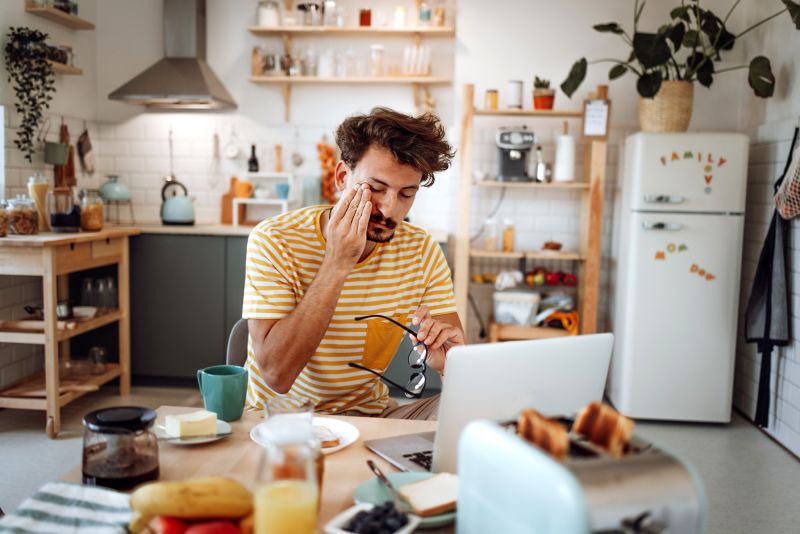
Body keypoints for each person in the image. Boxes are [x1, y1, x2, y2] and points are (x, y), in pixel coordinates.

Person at [242, 107, 463, 420]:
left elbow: (460, 372)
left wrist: (449, 366)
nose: (389, 209)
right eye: (376, 188)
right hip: (283, 422)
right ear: (343, 177)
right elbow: (276, 376)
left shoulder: (422, 250)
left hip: (371, 417)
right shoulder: (275, 239)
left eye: (406, 194)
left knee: (474, 412)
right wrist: (337, 262)